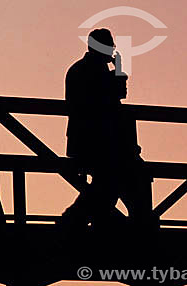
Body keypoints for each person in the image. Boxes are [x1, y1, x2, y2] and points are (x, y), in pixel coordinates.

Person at [62, 28, 154, 235]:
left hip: (95, 142)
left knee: (109, 187)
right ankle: (138, 229)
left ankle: (84, 223)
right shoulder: (92, 71)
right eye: (110, 46)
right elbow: (118, 94)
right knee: (120, 183)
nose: (112, 50)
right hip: (100, 143)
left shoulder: (82, 69)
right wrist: (120, 69)